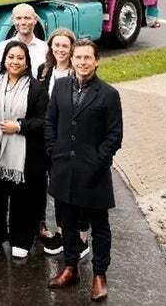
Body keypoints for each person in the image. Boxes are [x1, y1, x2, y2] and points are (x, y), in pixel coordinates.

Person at [46, 39, 123, 302]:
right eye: (78, 57)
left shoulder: (109, 94)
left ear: (96, 61)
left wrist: (97, 163)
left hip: (94, 173)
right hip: (64, 168)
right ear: (73, 59)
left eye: (87, 58)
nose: (82, 62)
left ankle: (100, 275)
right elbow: (50, 122)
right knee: (66, 222)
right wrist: (53, 152)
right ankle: (70, 269)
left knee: (99, 226)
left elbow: (114, 136)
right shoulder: (60, 85)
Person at [0, 41, 49, 260]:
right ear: (4, 60)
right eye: (11, 57)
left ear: (27, 62)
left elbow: (44, 121)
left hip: (25, 155)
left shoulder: (37, 89)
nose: (15, 62)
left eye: (20, 58)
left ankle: (21, 239)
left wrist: (19, 126)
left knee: (23, 199)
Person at [35, 28, 78, 255]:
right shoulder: (44, 70)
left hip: (68, 140)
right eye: (56, 45)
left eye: (65, 46)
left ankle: (71, 235)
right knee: (48, 185)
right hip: (47, 137)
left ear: (72, 48)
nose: (60, 49)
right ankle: (59, 232)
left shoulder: (76, 72)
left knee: (66, 189)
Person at [0, 3, 48, 79]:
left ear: (35, 20)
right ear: (13, 20)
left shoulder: (45, 48)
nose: (23, 22)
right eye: (18, 18)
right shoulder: (2, 47)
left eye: (27, 18)